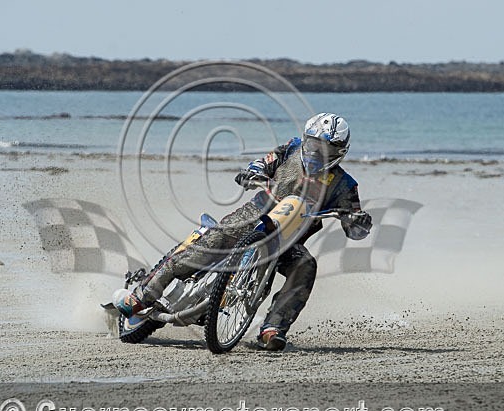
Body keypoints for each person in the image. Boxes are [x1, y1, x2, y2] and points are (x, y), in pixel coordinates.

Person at [116, 113, 373, 350]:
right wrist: (254, 173)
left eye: (326, 149)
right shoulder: (292, 148)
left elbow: (355, 229)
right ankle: (142, 295)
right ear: (306, 140)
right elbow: (263, 162)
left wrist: (359, 221)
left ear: (340, 152)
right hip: (250, 218)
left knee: (306, 265)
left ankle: (273, 328)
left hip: (288, 242)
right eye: (315, 145)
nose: (318, 152)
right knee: (206, 245)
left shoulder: (345, 185)